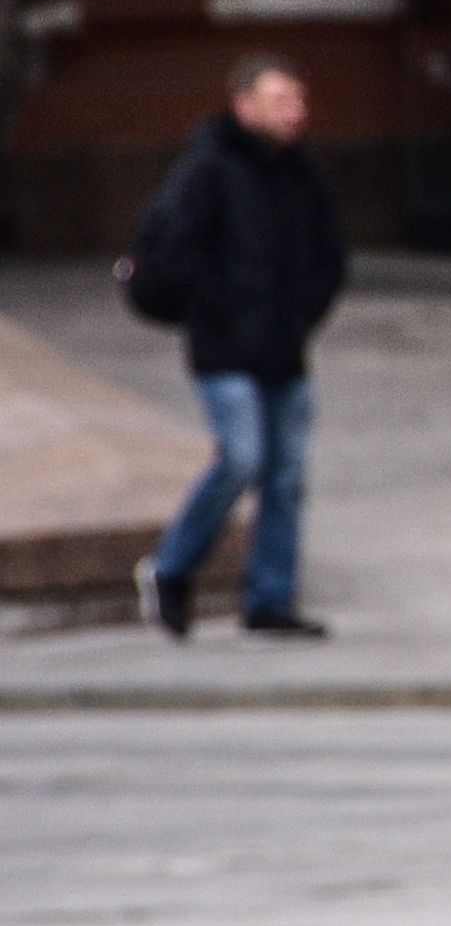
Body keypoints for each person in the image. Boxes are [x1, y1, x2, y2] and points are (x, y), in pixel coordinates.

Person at [136, 53, 347, 640]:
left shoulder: (303, 173)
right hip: (225, 348)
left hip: (285, 347)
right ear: (244, 105)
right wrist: (218, 308)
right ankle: (172, 568)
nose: (294, 113)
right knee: (243, 458)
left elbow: (331, 256)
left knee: (284, 476)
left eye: (299, 101)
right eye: (280, 100)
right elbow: (172, 252)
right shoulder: (208, 168)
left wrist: (304, 312)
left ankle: (270, 600)